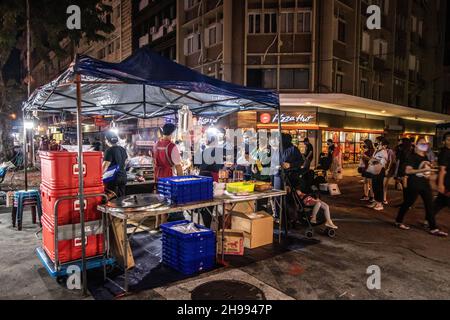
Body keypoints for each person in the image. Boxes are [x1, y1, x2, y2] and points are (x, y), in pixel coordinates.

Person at [395, 137, 447, 237]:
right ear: (416, 145)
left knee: (430, 205)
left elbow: (426, 170)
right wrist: (422, 171)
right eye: (422, 143)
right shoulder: (412, 156)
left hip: (424, 184)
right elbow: (408, 171)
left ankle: (433, 228)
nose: (424, 145)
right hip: (414, 184)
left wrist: (430, 170)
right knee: (408, 203)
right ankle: (398, 221)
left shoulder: (425, 157)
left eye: (425, 144)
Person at [102, 132, 128, 198]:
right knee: (121, 198)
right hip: (123, 177)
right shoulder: (122, 149)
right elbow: (125, 163)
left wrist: (99, 175)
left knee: (112, 199)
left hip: (113, 178)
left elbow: (105, 167)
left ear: (107, 140)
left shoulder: (109, 150)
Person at [433, 132, 450, 229]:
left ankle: (428, 219)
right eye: (448, 139)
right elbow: (442, 170)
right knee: (441, 202)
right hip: (446, 182)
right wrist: (440, 184)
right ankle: (429, 219)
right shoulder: (444, 153)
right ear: (444, 141)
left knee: (440, 202)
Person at [367, 138, 389, 211]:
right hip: (374, 169)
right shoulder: (377, 150)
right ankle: (376, 201)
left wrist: (373, 160)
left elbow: (382, 161)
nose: (376, 144)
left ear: (384, 145)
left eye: (378, 142)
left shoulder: (383, 152)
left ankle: (379, 203)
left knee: (378, 186)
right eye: (375, 142)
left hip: (379, 170)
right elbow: (373, 159)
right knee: (374, 186)